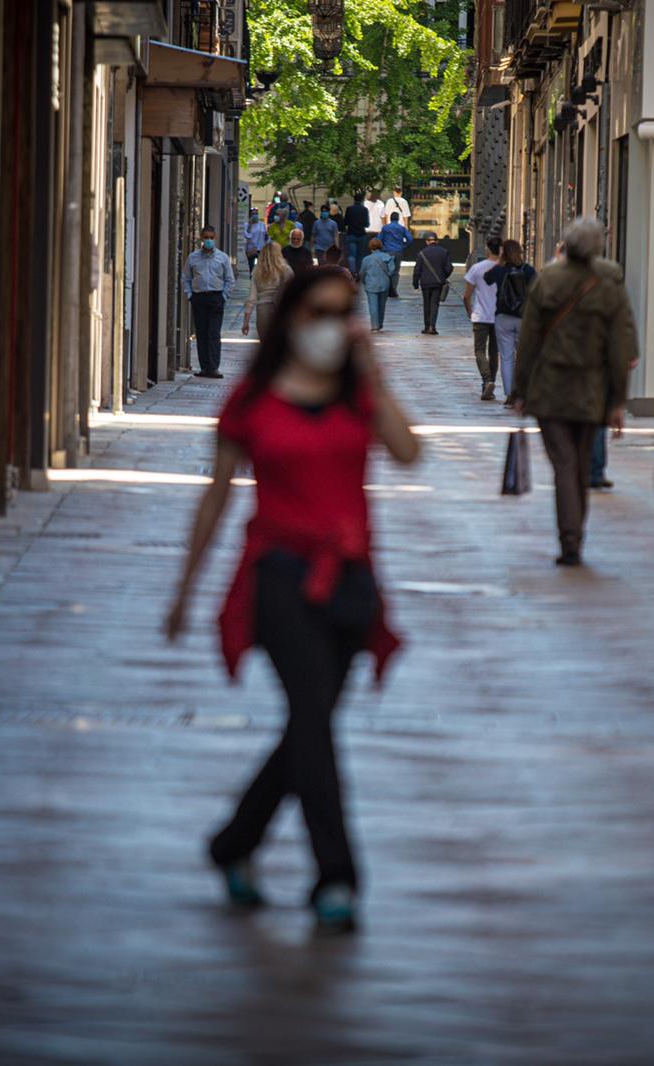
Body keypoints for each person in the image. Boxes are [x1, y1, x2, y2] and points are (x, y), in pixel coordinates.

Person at [165, 267, 421, 933]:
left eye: (345, 313)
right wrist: (184, 589)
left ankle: (234, 843)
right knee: (312, 718)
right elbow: (216, 496)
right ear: (294, 319)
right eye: (321, 312)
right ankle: (337, 876)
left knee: (309, 727)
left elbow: (407, 452)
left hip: (350, 583)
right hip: (277, 578)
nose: (332, 326)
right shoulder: (251, 401)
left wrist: (374, 371)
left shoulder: (356, 394)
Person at [507, 217, 638, 566]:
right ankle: (574, 534)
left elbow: (530, 341)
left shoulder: (548, 280)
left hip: (551, 388)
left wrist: (520, 389)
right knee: (579, 464)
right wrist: (617, 400)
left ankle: (570, 539)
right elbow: (618, 349)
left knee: (564, 463)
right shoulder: (608, 286)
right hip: (591, 390)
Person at [181, 225, 237, 378]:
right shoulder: (193, 257)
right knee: (201, 333)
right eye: (206, 237)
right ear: (201, 238)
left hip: (216, 298)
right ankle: (204, 367)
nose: (209, 240)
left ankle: (213, 367)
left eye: (211, 238)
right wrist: (190, 295)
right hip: (198, 298)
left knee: (213, 333)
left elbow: (229, 280)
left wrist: (223, 297)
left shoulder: (222, 258)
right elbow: (186, 278)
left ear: (215, 238)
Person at [485, 238, 535, 399]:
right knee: (523, 356)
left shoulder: (500, 270)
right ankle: (522, 393)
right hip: (523, 317)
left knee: (506, 357)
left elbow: (487, 279)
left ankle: (509, 394)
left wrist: (499, 261)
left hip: (503, 316)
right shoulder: (528, 270)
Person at [462, 237, 504, 400]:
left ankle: (486, 381)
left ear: (487, 249)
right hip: (499, 316)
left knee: (479, 350)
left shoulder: (477, 268)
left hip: (480, 315)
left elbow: (466, 296)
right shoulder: (504, 269)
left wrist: (469, 312)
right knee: (494, 352)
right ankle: (490, 383)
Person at [243, 242, 294, 340]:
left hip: (263, 312)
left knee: (266, 347)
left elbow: (251, 298)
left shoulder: (257, 271)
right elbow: (293, 291)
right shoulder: (286, 270)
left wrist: (246, 322)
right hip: (281, 311)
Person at [411, 232, 453, 335]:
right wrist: (443, 277)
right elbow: (449, 267)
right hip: (438, 283)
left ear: (427, 241)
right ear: (437, 241)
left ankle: (426, 327)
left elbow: (417, 270)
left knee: (427, 304)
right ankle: (432, 327)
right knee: (435, 304)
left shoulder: (422, 253)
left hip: (425, 283)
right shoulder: (444, 252)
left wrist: (415, 284)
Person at [359, 238, 397, 332]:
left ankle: (374, 326)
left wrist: (364, 282)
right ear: (381, 246)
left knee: (373, 306)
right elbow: (392, 270)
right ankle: (380, 324)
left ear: (370, 247)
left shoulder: (366, 259)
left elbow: (362, 273)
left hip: (370, 284)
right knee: (382, 305)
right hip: (384, 284)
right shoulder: (387, 257)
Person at [378, 212, 412, 298]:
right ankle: (394, 289)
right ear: (398, 218)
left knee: (387, 271)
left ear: (390, 218)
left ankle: (386, 289)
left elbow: (379, 239)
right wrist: (405, 245)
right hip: (398, 251)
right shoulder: (402, 228)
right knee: (396, 272)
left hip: (387, 252)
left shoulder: (385, 228)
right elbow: (410, 239)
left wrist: (383, 248)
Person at [342, 193, 371, 276]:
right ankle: (359, 272)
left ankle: (352, 272)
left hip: (351, 233)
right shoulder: (364, 210)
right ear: (362, 200)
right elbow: (367, 224)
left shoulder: (349, 209)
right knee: (361, 255)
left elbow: (345, 222)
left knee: (352, 255)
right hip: (361, 234)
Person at [244, 211, 269, 275]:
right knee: (251, 267)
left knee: (261, 266)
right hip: (251, 249)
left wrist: (267, 235)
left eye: (256, 214)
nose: (255, 215)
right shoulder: (246, 224)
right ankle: (252, 279)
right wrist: (250, 226)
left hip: (261, 248)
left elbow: (265, 235)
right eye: (253, 214)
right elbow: (247, 236)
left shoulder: (262, 224)